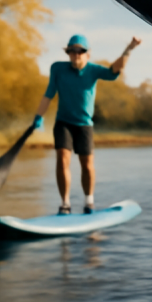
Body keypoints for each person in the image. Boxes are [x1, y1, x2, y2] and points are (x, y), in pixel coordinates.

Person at [33, 34, 141, 214]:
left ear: (87, 54)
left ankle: (89, 202)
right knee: (62, 159)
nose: (76, 55)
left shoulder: (93, 70)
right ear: (68, 53)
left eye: (80, 51)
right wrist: (38, 116)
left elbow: (115, 69)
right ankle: (65, 204)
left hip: (84, 125)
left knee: (87, 164)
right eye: (72, 51)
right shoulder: (58, 68)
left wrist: (129, 49)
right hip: (63, 123)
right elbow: (48, 94)